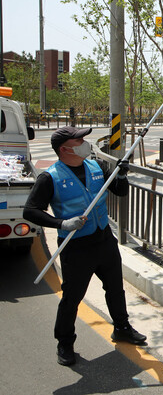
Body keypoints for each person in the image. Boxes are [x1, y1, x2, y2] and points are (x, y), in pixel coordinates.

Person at [23, 126, 146, 366]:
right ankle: (65, 342)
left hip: (103, 239)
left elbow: (120, 192)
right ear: (64, 149)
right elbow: (30, 211)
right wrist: (62, 223)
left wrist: (121, 175)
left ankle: (121, 327)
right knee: (72, 297)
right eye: (78, 140)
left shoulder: (96, 167)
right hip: (76, 247)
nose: (84, 143)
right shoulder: (50, 177)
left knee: (115, 288)